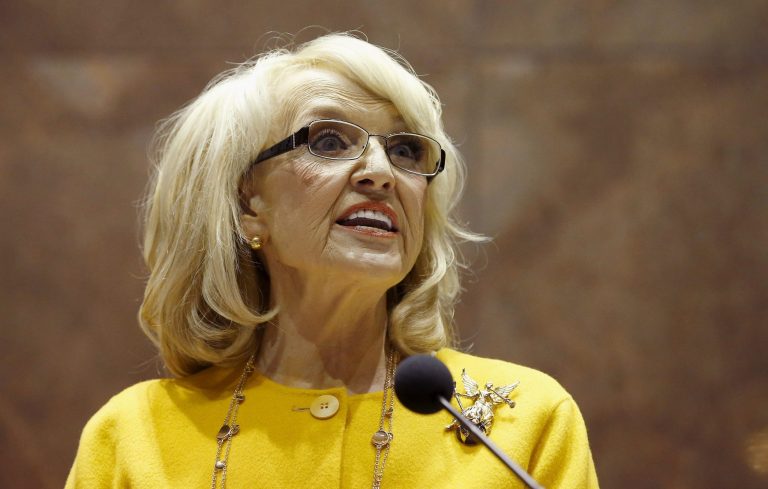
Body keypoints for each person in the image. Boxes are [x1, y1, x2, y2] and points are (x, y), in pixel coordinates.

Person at [66, 33, 599, 488]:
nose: (381, 172)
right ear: (247, 203)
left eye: (406, 151)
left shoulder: (522, 421)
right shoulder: (131, 438)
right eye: (327, 141)